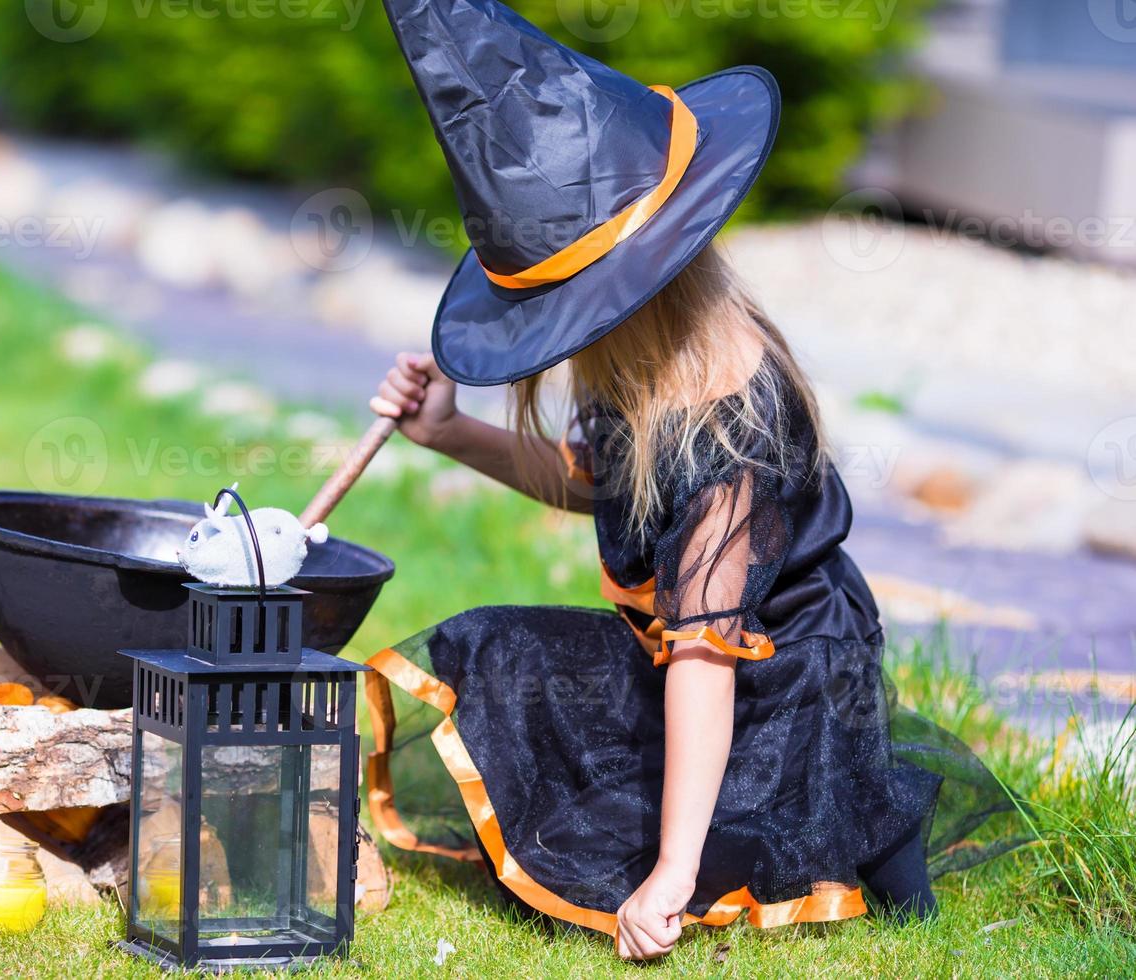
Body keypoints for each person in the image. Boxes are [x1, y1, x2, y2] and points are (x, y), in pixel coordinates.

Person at [363, 0, 1009, 961]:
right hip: (677, 663)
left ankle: (860, 820)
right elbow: (594, 485)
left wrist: (670, 871)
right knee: (490, 650)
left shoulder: (734, 439)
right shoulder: (652, 383)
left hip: (780, 698)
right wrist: (451, 434)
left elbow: (706, 662)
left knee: (630, 845)